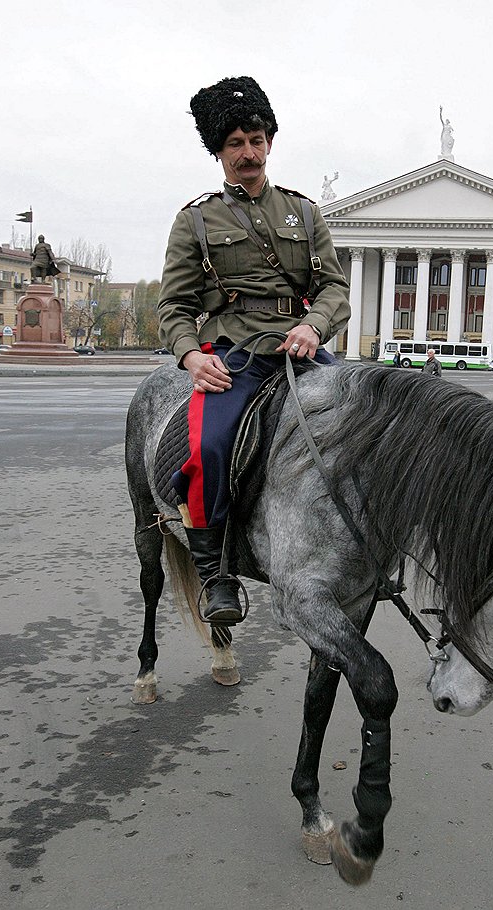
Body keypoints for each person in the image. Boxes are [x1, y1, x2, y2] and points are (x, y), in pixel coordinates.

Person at [157, 76, 350, 622]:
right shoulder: (195, 220)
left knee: (371, 422)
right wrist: (194, 357)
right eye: (236, 142)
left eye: (257, 139)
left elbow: (334, 287)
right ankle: (216, 573)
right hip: (235, 355)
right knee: (208, 447)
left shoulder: (304, 213)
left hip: (301, 350)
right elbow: (173, 307)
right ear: (219, 151)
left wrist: (314, 326)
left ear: (270, 143)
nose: (249, 152)